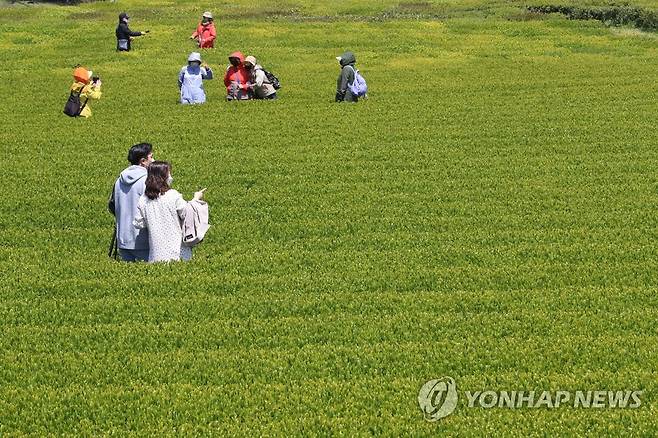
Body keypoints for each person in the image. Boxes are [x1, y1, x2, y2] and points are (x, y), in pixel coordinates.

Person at [133, 161, 206, 263]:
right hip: (178, 251)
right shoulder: (173, 195)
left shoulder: (143, 199)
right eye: (169, 174)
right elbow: (187, 213)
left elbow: (139, 223)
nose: (170, 177)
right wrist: (196, 199)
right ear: (163, 177)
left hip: (156, 253)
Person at [108, 143, 154, 262]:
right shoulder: (147, 180)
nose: (154, 160)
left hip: (123, 237)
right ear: (143, 161)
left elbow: (112, 205)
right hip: (142, 239)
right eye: (151, 157)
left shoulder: (119, 180)